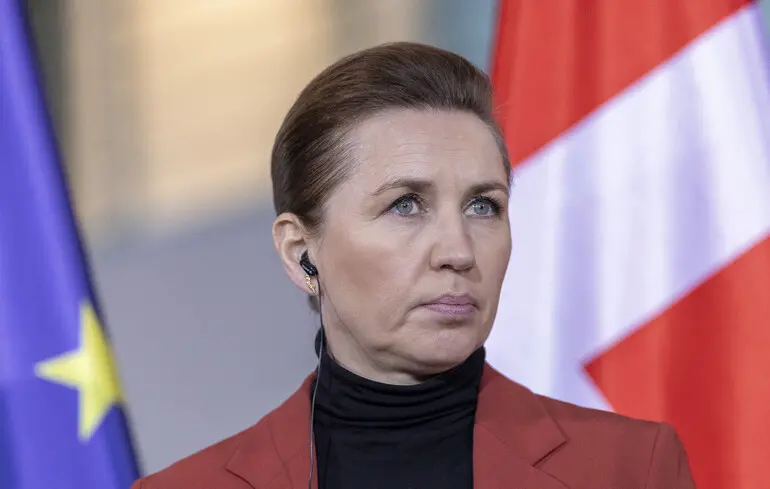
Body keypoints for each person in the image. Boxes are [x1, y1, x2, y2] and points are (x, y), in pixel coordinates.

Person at [130, 42, 695, 489]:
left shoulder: (629, 469)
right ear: (300, 252)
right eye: (405, 205)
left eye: (483, 206)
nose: (458, 251)